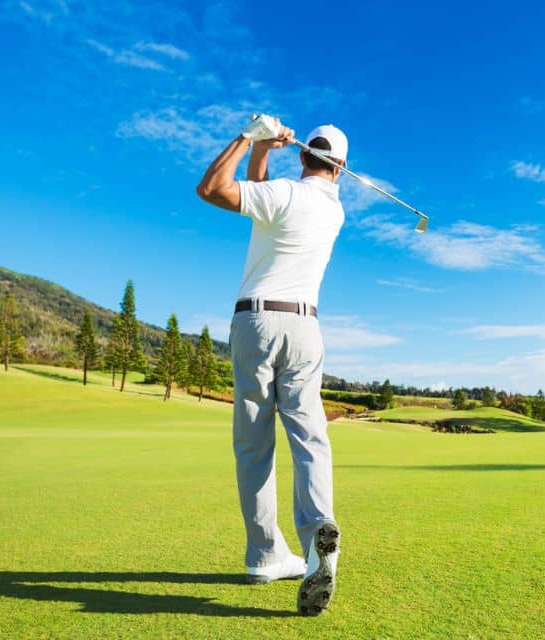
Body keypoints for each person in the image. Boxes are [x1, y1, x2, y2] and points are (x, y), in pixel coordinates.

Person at [195, 114, 345, 616]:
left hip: (255, 322)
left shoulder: (282, 194)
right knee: (310, 437)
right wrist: (266, 151)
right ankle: (315, 533)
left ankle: (263, 551)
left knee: (254, 445)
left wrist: (249, 137)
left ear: (303, 154)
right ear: (340, 169)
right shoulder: (331, 210)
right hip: (305, 328)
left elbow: (212, 189)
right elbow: (263, 197)